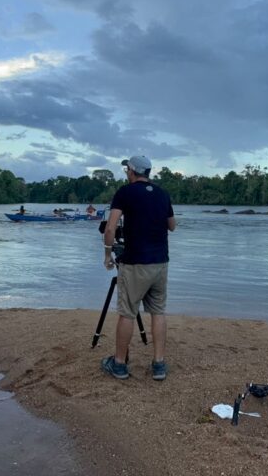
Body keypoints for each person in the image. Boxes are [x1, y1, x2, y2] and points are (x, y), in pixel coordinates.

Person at [100, 155, 176, 381]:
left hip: (135, 263)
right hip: (160, 262)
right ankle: (159, 365)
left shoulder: (125, 192)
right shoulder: (162, 193)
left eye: (127, 169)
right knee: (158, 312)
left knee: (127, 313)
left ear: (131, 171)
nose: (126, 172)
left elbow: (110, 229)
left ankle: (119, 364)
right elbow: (172, 226)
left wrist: (108, 254)